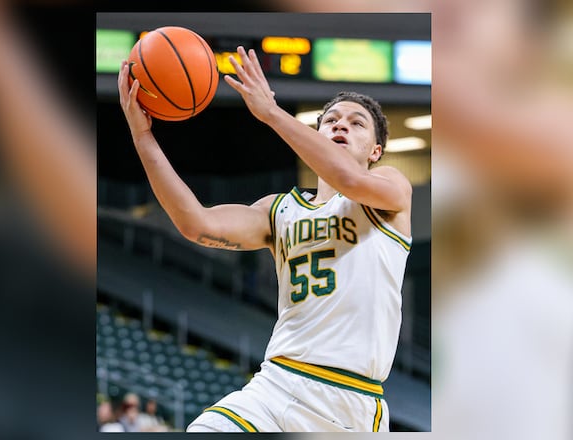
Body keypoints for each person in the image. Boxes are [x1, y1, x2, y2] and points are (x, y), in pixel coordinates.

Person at [118, 46, 412, 432]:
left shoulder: (390, 188)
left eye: (357, 123)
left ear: (376, 151)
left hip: (348, 398)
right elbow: (195, 223)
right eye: (331, 121)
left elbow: (350, 181)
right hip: (275, 383)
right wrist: (143, 138)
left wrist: (272, 113)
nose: (341, 126)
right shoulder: (279, 210)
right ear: (317, 132)